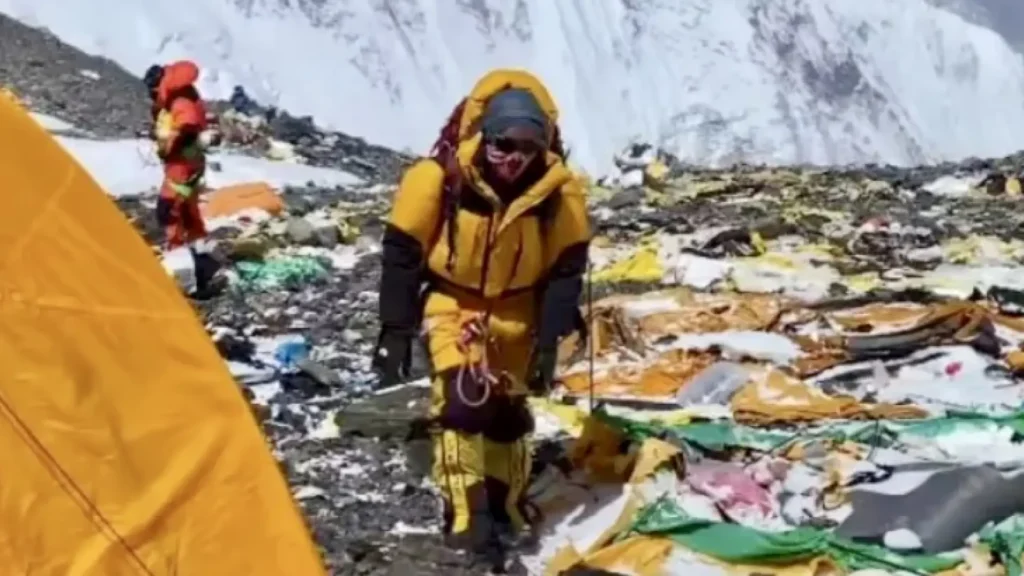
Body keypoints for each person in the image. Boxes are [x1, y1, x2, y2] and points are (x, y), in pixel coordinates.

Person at [372, 69, 590, 571]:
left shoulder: (559, 195)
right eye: (502, 145)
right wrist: (395, 332)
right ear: (482, 137)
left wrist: (549, 339)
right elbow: (402, 255)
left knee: (508, 415)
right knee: (460, 404)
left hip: (519, 313)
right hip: (453, 305)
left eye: (528, 148)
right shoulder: (437, 180)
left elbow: (565, 270)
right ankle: (467, 515)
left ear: (545, 146)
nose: (514, 159)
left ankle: (505, 506)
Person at [143, 60, 210, 250]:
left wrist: (170, 146)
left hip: (181, 161)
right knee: (187, 206)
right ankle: (199, 245)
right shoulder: (182, 94)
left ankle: (177, 247)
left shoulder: (179, 99)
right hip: (188, 159)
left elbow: (187, 127)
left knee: (168, 206)